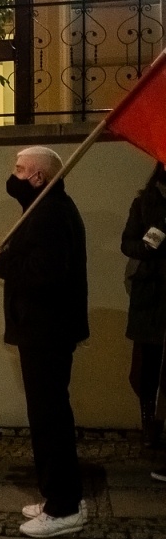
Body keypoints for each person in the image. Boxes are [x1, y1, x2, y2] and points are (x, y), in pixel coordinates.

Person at [0, 146, 89, 538]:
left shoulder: (49, 213)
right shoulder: (45, 209)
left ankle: (64, 508)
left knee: (50, 420)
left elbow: (45, 273)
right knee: (48, 416)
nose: (13, 174)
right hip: (44, 331)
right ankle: (56, 496)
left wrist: (1, 262)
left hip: (47, 331)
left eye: (19, 169)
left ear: (39, 177)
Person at [121, 163, 166, 452]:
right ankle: (150, 425)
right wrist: (147, 249)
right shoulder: (144, 203)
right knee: (147, 365)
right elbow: (128, 243)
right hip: (151, 294)